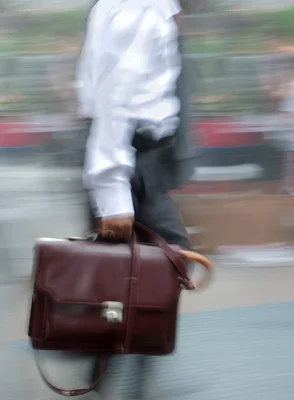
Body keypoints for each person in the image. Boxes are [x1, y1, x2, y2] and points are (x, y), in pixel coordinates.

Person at [76, 0, 196, 398]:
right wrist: (113, 196)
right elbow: (114, 98)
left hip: (139, 159)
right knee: (162, 263)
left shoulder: (145, 8)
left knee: (131, 272)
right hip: (131, 159)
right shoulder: (138, 10)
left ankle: (113, 370)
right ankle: (109, 369)